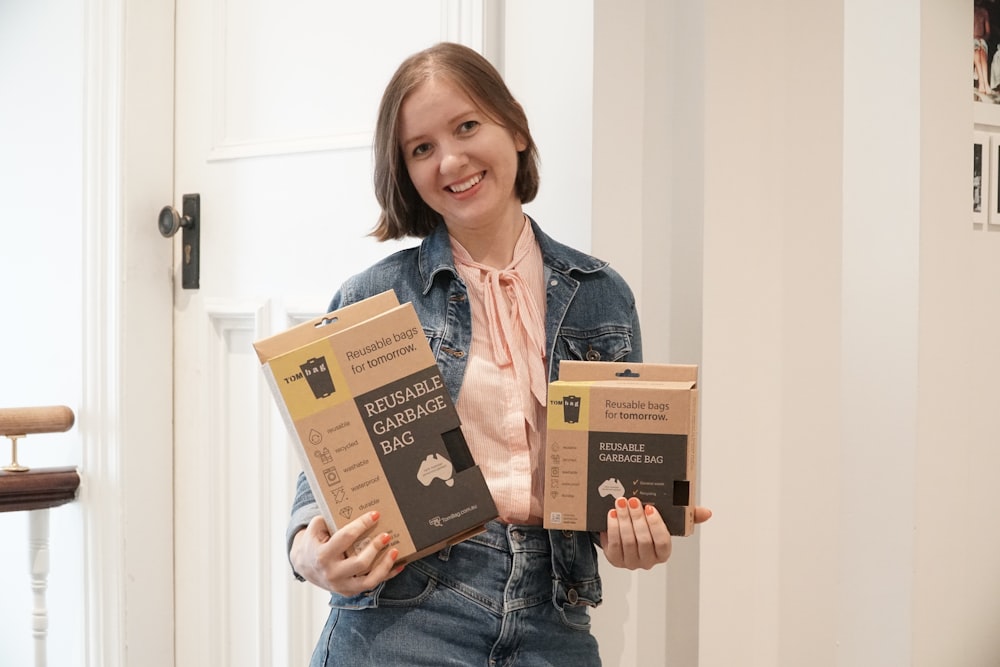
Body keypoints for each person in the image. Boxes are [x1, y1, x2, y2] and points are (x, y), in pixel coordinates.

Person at [286, 42, 711, 666]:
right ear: (403, 170)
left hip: (554, 614)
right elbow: (319, 479)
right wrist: (309, 555)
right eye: (421, 148)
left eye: (466, 126)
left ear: (512, 124)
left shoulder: (602, 296)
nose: (451, 160)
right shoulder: (374, 296)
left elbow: (608, 487)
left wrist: (630, 534)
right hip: (406, 611)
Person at [975, 0, 992, 94]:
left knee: (981, 51)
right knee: (977, 51)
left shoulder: (984, 12)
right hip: (971, 40)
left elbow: (988, 32)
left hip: (982, 40)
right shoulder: (970, 11)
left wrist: (982, 39)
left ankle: (986, 82)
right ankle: (981, 82)